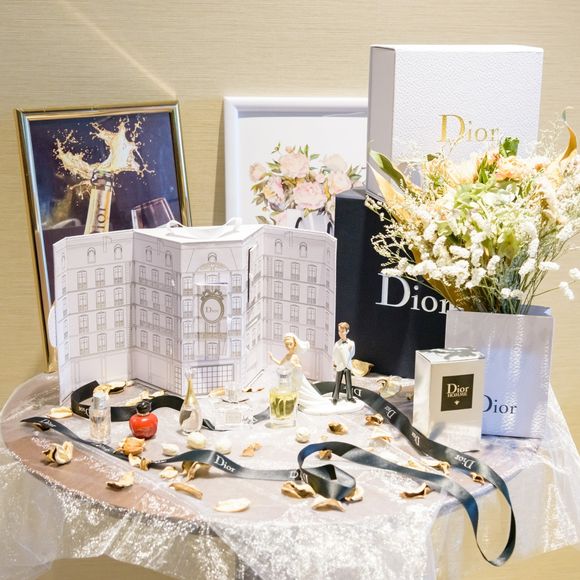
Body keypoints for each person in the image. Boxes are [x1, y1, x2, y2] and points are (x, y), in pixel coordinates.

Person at [332, 322, 355, 404]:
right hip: (340, 365)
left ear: (347, 331)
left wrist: (347, 361)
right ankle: (335, 397)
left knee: (349, 382)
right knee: (338, 382)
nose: (340, 333)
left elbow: (352, 353)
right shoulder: (337, 344)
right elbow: (334, 355)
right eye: (339, 331)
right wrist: (337, 363)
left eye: (342, 331)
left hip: (348, 365)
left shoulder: (351, 343)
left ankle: (350, 397)